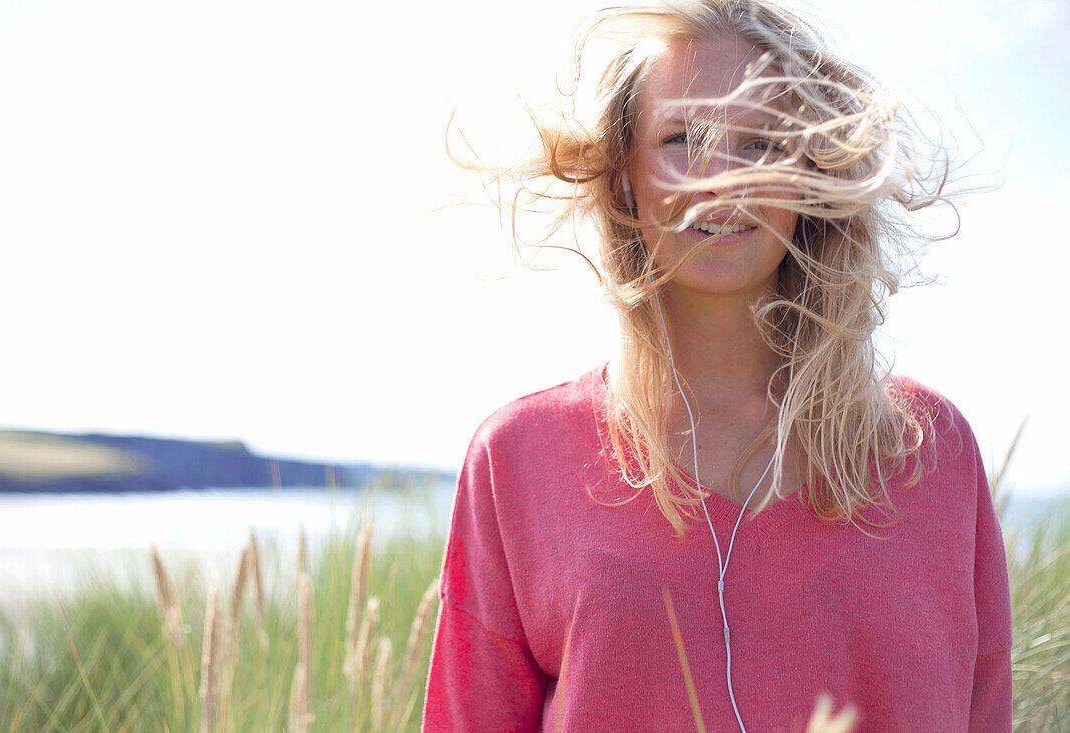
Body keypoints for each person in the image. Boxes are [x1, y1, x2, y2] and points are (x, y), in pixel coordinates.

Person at [422, 1, 1012, 731]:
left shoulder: (933, 453)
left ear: (810, 169)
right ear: (621, 176)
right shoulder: (517, 461)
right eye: (681, 139)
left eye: (761, 144)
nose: (721, 179)